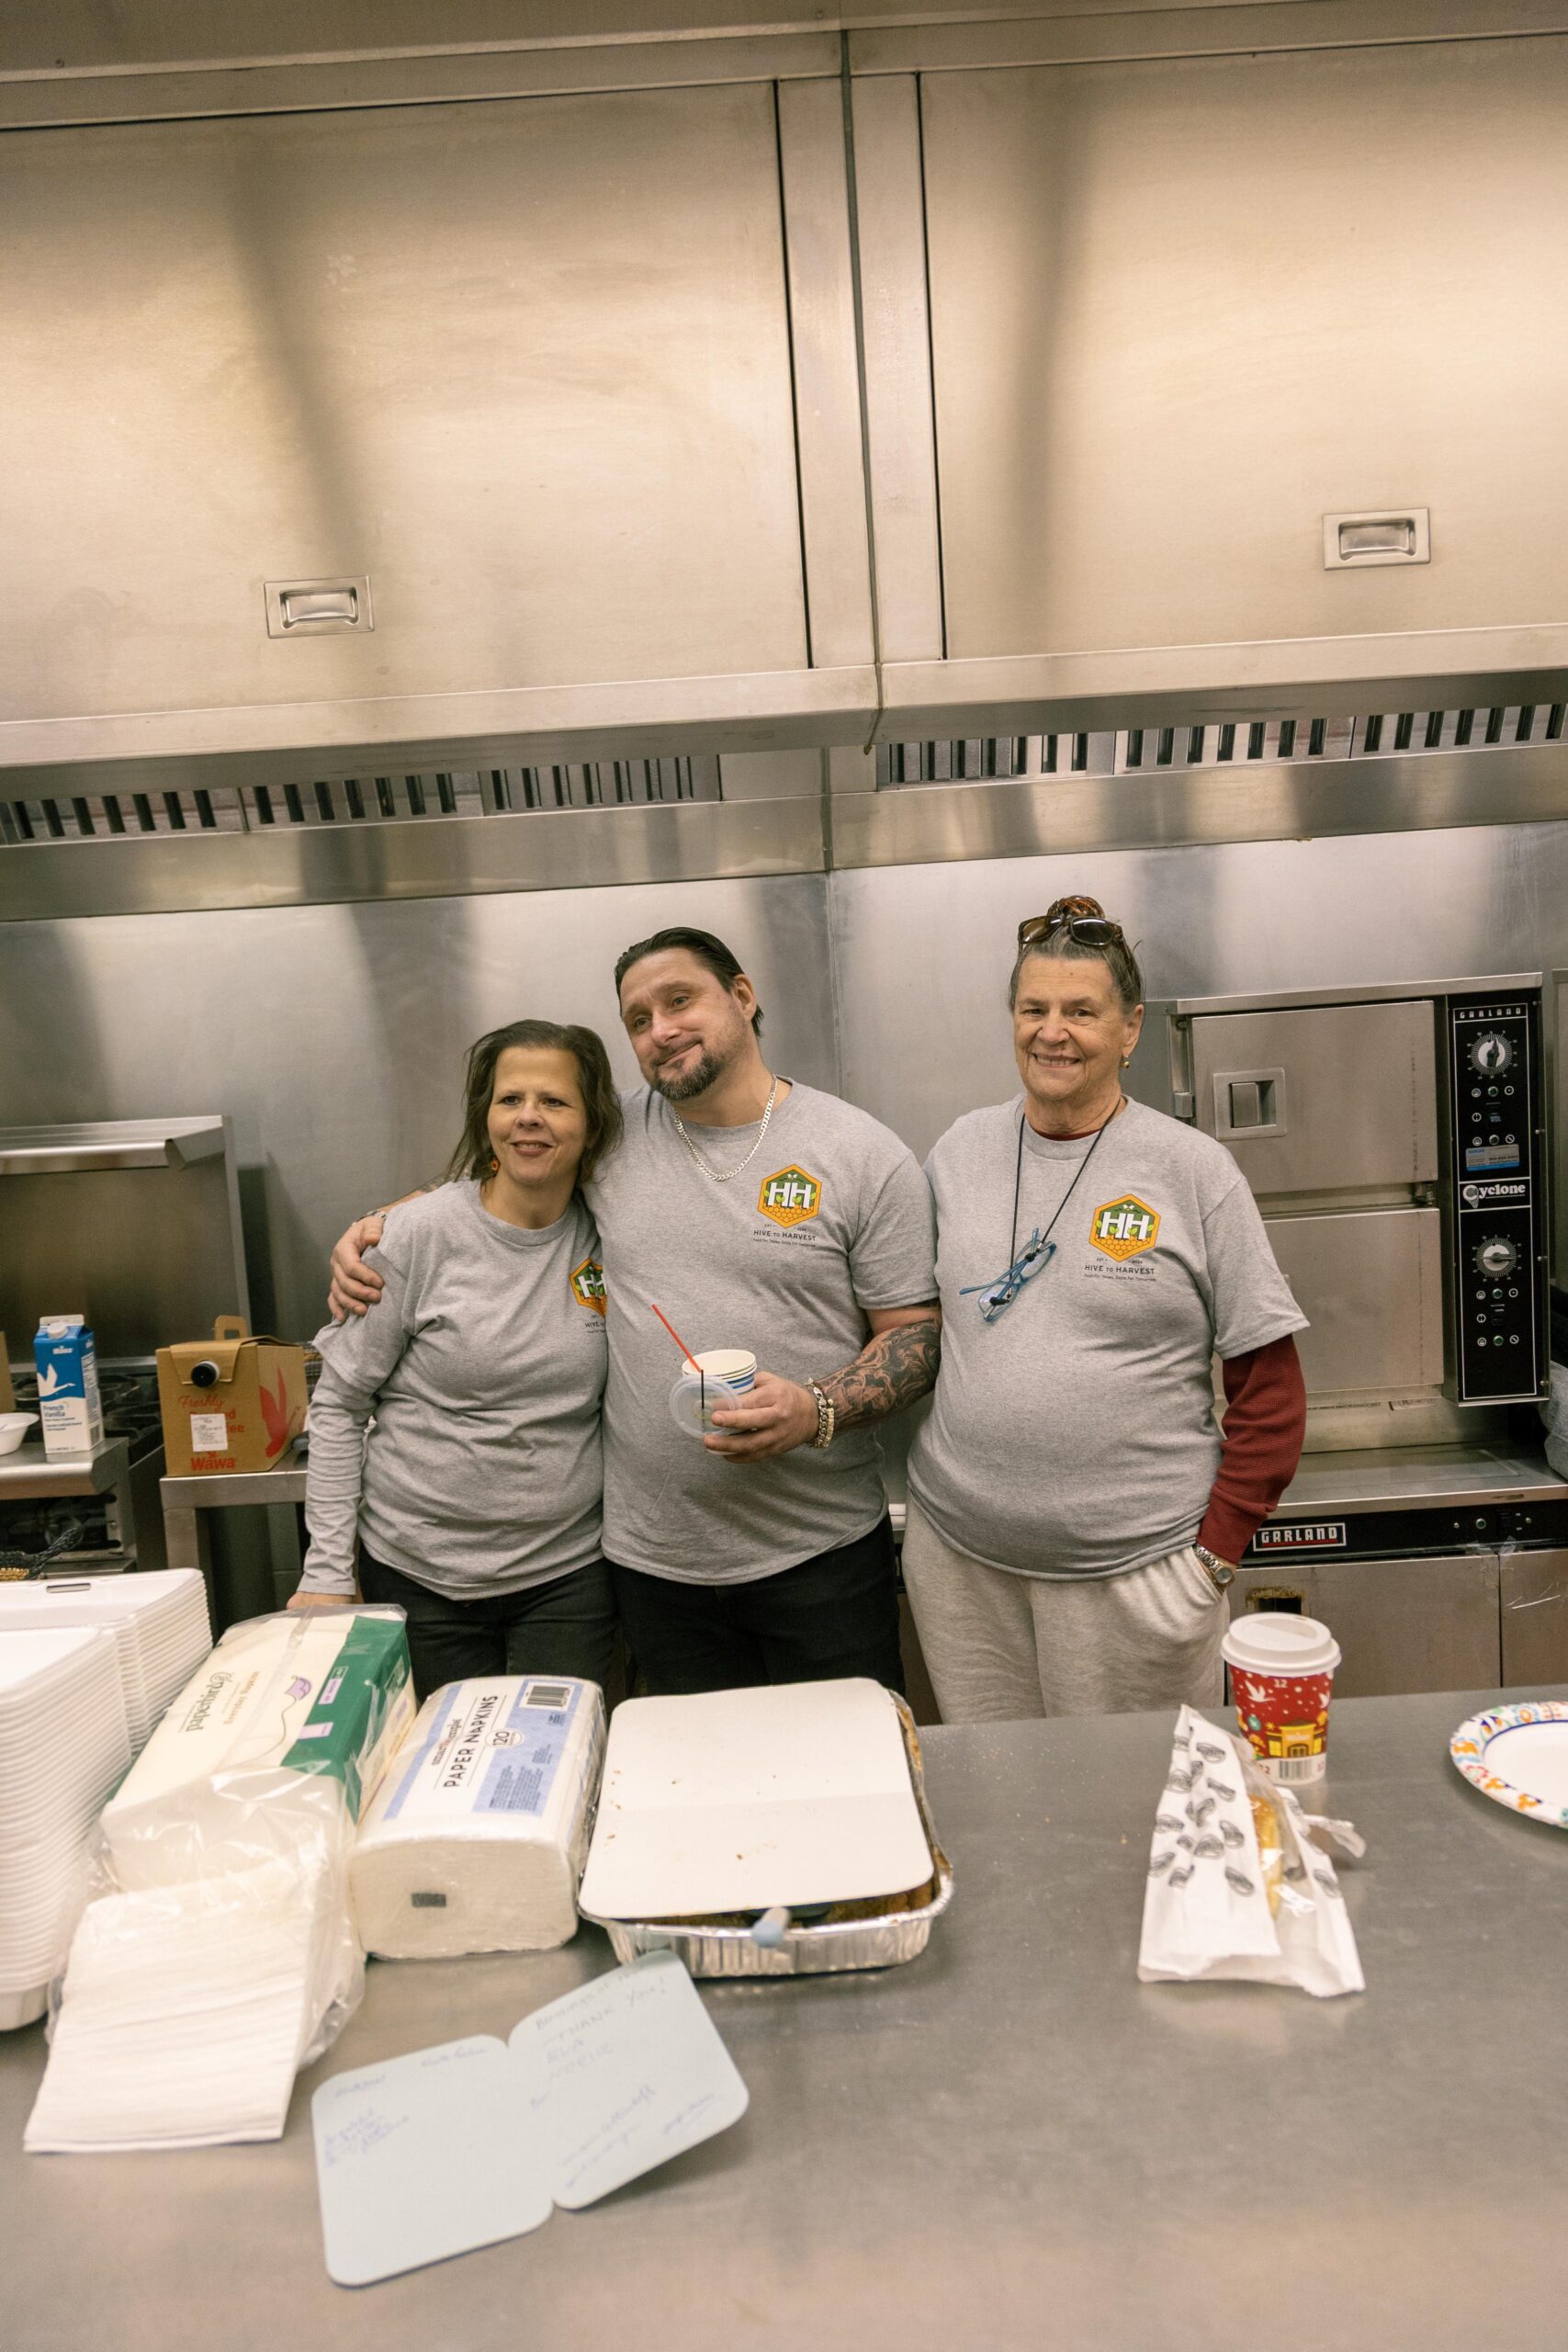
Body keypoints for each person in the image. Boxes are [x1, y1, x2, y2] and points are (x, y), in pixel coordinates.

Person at [330, 928, 939, 1696]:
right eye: (638, 1019)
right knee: (685, 1793)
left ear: (743, 997)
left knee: (843, 1779)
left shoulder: (859, 1152)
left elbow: (913, 1336)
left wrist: (815, 1408)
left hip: (819, 1556)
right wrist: (386, 1224)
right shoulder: (612, 1136)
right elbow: (505, 1177)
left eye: (679, 1000)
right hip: (655, 1568)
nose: (661, 1030)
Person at [901, 895, 1308, 1722]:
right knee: (1002, 1804)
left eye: (1080, 1012)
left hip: (1137, 1577)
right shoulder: (958, 1151)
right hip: (963, 1566)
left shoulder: (1189, 1171)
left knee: (1139, 1812)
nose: (1052, 1032)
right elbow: (919, 1321)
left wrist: (1212, 1564)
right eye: (1033, 1009)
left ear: (1128, 1030)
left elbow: (1269, 1385)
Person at [292, 1018, 622, 1705]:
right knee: (432, 1784)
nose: (529, 1118)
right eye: (510, 1100)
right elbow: (338, 1406)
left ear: (592, 1124)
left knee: (549, 1774)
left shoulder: (613, 1233)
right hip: (418, 1576)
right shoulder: (413, 1236)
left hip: (567, 1576)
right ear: (485, 1116)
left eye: (555, 1101)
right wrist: (326, 1569)